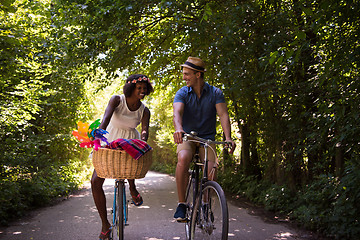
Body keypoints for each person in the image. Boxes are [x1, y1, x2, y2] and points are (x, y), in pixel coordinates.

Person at [172, 57, 236, 221]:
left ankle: (205, 205)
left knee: (211, 170)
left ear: (198, 74)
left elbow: (223, 114)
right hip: (188, 136)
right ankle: (182, 204)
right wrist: (178, 129)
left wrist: (228, 137)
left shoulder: (215, 93)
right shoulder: (182, 93)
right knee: (183, 158)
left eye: (187, 74)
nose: (184, 77)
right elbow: (177, 113)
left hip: (207, 138)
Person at [91, 74, 153, 239]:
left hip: (131, 140)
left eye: (144, 89)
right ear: (131, 88)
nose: (142, 91)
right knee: (95, 181)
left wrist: (143, 141)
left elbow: (145, 130)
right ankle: (105, 224)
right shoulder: (117, 100)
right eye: (138, 88)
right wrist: (98, 134)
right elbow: (105, 119)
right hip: (110, 137)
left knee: (130, 163)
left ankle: (132, 188)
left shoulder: (144, 110)